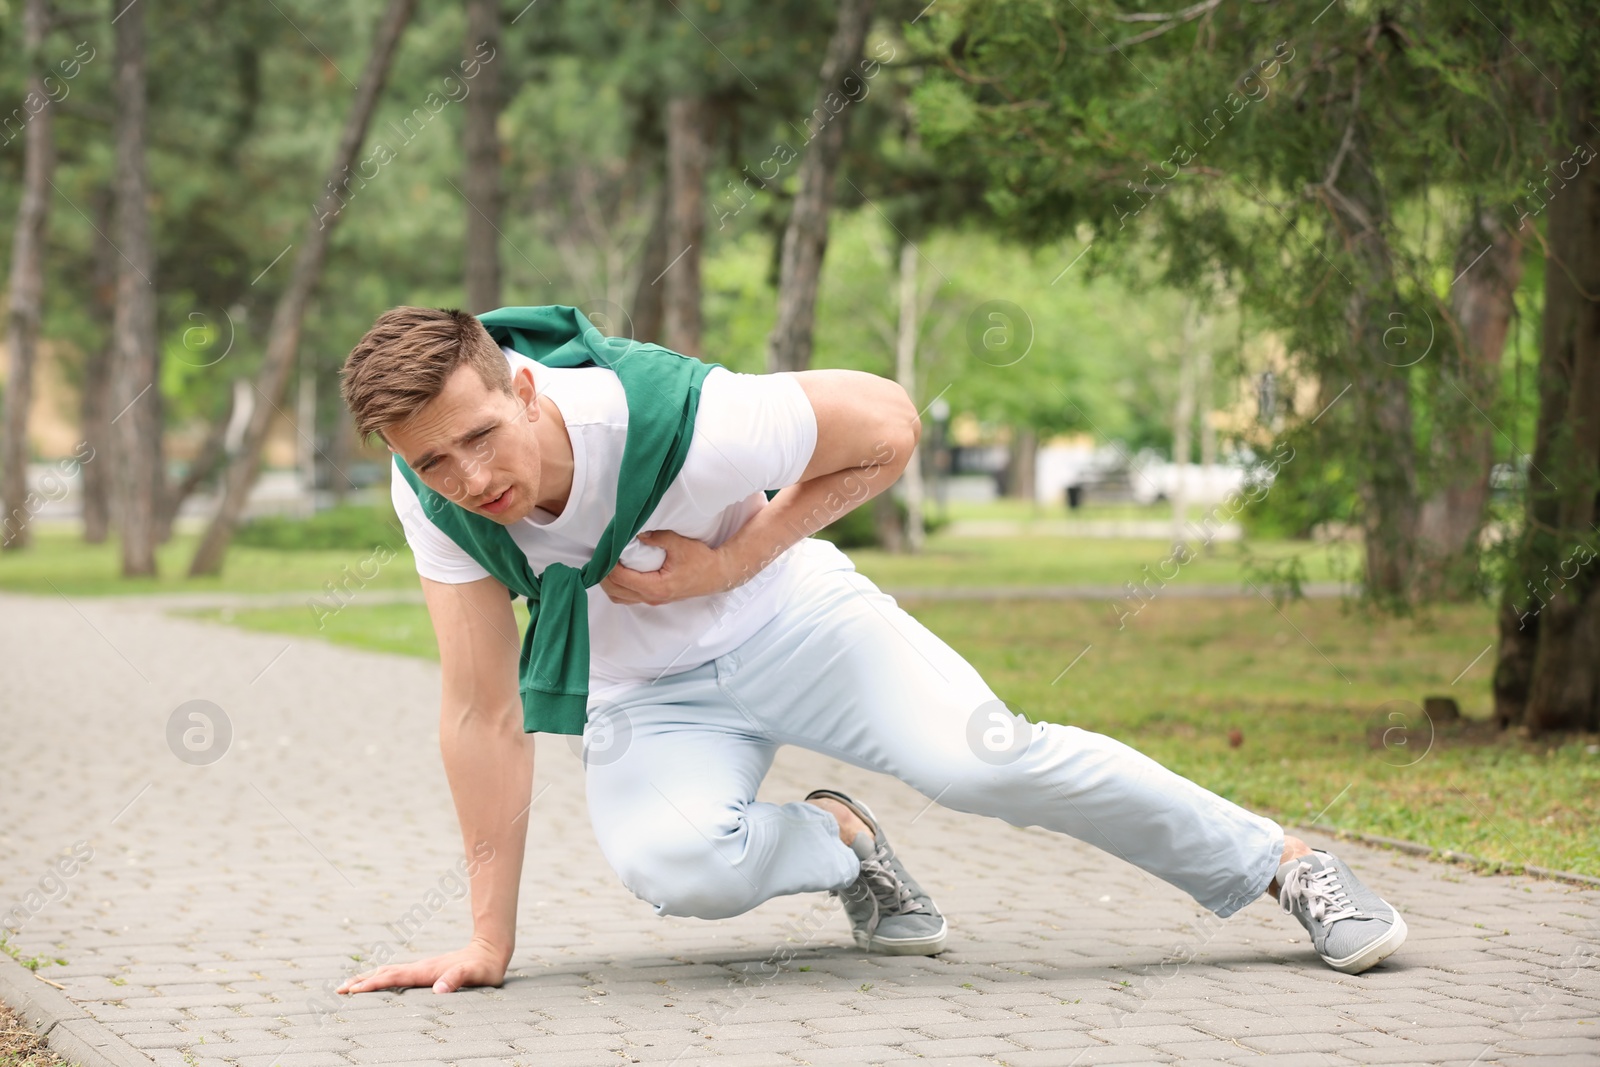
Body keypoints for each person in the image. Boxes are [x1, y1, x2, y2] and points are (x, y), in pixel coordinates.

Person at [335, 305, 1406, 996]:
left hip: (795, 622)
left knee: (985, 757)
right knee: (675, 866)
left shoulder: (684, 416)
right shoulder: (434, 497)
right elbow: (481, 710)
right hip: (648, 690)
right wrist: (487, 941)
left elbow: (887, 424)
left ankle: (1282, 863)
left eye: (481, 437)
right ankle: (843, 839)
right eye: (432, 460)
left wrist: (732, 557)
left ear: (523, 385)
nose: (468, 477)